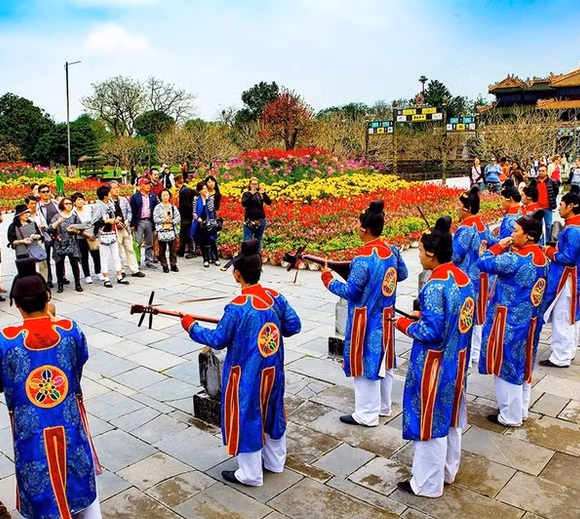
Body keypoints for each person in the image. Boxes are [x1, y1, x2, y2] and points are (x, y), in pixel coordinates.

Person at [0, 258, 102, 519]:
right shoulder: (71, 330)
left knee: (37, 476)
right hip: (69, 418)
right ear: (48, 297)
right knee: (78, 468)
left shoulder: (3, 342)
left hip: (30, 425)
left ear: (15, 302)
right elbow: (81, 360)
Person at [181, 239, 301, 486]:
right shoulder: (275, 297)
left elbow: (218, 338)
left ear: (237, 274)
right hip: (273, 369)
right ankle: (275, 462)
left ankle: (250, 474)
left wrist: (191, 326)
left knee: (247, 416)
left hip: (246, 375)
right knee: (273, 411)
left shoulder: (237, 308)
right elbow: (293, 325)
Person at [394, 216, 475, 498]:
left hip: (433, 364)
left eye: (418, 250)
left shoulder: (434, 286)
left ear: (431, 253)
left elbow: (431, 331)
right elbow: (459, 319)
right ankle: (448, 471)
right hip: (456, 360)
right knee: (451, 419)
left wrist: (403, 324)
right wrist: (424, 316)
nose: (418, 256)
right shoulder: (464, 278)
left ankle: (427, 483)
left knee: (428, 421)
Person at [321, 201, 408, 426]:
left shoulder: (363, 258)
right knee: (385, 362)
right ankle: (383, 406)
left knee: (366, 365)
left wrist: (328, 280)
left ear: (363, 229)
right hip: (387, 314)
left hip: (366, 319)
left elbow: (351, 291)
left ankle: (366, 414)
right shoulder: (392, 250)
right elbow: (403, 274)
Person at [477, 211, 548, 427]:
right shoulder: (542, 257)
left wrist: (499, 245)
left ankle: (510, 415)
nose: (512, 234)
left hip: (508, 321)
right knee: (524, 365)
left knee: (506, 366)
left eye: (516, 231)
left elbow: (483, 261)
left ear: (528, 236)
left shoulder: (514, 259)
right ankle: (521, 409)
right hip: (530, 320)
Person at [540, 190, 580, 368]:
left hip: (567, 278)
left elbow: (567, 257)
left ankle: (561, 356)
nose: (559, 209)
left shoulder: (572, 230)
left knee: (563, 315)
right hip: (578, 275)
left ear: (571, 206)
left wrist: (549, 251)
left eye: (561, 205)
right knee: (572, 316)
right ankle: (569, 350)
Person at [452, 186, 491, 366]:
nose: (457, 208)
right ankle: (475, 352)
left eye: (459, 205)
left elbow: (455, 255)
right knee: (478, 315)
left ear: (467, 208)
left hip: (465, 278)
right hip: (482, 276)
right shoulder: (483, 225)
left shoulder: (466, 228)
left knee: (465, 314)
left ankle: (465, 355)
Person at [92, 185, 129, 288]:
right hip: (103, 234)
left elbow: (112, 216)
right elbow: (94, 221)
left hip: (113, 232)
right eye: (108, 193)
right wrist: (107, 221)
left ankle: (119, 275)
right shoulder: (97, 206)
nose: (110, 194)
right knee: (104, 257)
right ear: (105, 195)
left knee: (116, 256)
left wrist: (116, 219)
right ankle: (106, 278)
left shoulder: (110, 204)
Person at [49, 197, 84, 293]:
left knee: (75, 265)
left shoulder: (74, 216)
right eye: (66, 204)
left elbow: (81, 229)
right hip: (59, 244)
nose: (69, 205)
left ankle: (78, 284)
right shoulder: (57, 216)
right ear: (62, 205)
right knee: (59, 265)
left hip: (71, 243)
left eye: (70, 203)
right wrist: (57, 222)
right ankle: (60, 285)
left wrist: (74, 230)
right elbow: (50, 229)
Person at [109, 181, 143, 278]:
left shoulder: (123, 200)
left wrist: (128, 220)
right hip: (115, 229)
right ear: (110, 190)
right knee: (118, 251)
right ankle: (121, 270)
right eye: (114, 188)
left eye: (117, 187)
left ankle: (134, 269)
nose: (116, 190)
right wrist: (116, 223)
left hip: (125, 228)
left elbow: (129, 211)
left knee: (130, 249)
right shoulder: (108, 202)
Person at [71, 192, 101, 284]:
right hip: (81, 237)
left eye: (81, 199)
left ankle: (98, 272)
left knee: (96, 255)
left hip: (92, 235)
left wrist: (95, 233)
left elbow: (95, 220)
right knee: (84, 257)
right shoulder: (73, 213)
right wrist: (86, 234)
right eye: (78, 200)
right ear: (74, 202)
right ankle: (87, 275)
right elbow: (74, 227)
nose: (80, 201)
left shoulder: (89, 209)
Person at [130, 179, 158, 269]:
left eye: (149, 184)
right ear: (141, 185)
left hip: (149, 221)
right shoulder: (135, 197)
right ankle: (136, 261)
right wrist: (132, 224)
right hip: (139, 222)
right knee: (137, 242)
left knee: (149, 242)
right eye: (146, 184)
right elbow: (132, 211)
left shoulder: (153, 197)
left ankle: (149, 260)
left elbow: (155, 210)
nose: (148, 185)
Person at [37, 184, 61, 288]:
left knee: (59, 256)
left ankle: (61, 276)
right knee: (45, 258)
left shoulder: (55, 203)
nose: (46, 193)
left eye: (47, 191)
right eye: (43, 192)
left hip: (57, 233)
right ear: (39, 194)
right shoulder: (38, 206)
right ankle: (48, 279)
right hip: (46, 234)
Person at [192, 181, 220, 267]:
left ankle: (216, 258)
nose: (205, 190)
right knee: (202, 241)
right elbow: (194, 212)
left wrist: (208, 199)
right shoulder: (196, 200)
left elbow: (212, 210)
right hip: (201, 224)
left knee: (212, 240)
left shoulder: (210, 199)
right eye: (203, 189)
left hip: (210, 222)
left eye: (205, 188)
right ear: (199, 190)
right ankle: (205, 259)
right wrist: (198, 218)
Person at [153, 189, 181, 273]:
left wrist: (172, 221)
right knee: (162, 250)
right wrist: (163, 220)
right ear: (160, 197)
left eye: (167, 195)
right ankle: (164, 265)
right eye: (163, 195)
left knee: (173, 249)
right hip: (162, 231)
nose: (165, 197)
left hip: (171, 230)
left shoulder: (172, 206)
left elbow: (178, 217)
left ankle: (173, 264)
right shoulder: (158, 207)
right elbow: (155, 218)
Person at [241, 178, 272, 250]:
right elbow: (244, 203)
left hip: (261, 220)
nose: (254, 186)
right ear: (250, 185)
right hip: (249, 221)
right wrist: (251, 194)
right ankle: (246, 258)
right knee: (247, 240)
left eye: (256, 184)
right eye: (253, 184)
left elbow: (269, 202)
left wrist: (264, 193)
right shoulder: (246, 194)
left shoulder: (260, 194)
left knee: (258, 240)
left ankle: (257, 258)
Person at [535, 164, 558, 241]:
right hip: (537, 208)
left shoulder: (552, 182)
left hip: (547, 207)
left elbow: (555, 192)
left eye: (543, 171)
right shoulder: (535, 182)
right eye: (540, 171)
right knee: (538, 226)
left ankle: (548, 242)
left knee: (548, 226)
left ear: (546, 171)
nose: (541, 172)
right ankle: (540, 243)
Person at [175, 175, 195, 259]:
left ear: (176, 182)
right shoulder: (184, 190)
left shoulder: (185, 191)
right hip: (185, 216)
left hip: (186, 216)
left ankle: (192, 251)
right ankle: (181, 250)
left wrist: (179, 209)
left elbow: (187, 205)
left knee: (187, 234)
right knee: (183, 234)